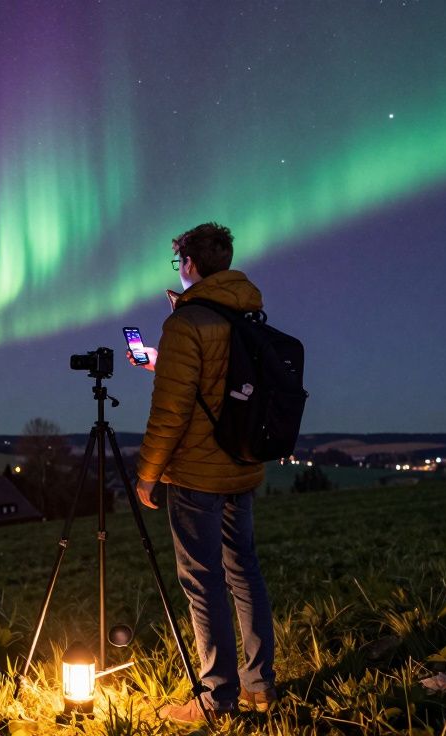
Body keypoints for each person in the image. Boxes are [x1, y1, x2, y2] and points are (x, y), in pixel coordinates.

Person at [131, 222, 278, 723]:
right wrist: (165, 361)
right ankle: (261, 684)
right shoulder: (248, 311)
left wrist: (148, 473)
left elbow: (171, 412)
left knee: (204, 580)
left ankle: (217, 698)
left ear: (189, 264)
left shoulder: (188, 323)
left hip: (196, 473)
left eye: (180, 263)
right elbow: (223, 382)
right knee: (245, 570)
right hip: (242, 463)